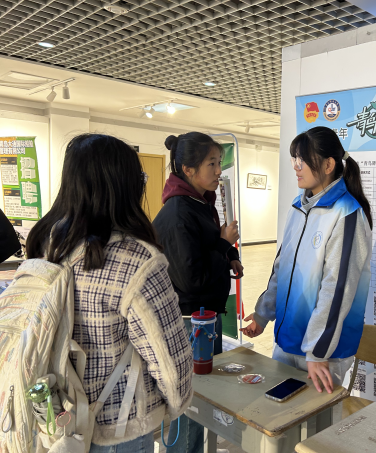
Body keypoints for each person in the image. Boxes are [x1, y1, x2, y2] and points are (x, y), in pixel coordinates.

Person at [26, 134, 193, 452]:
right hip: (118, 426)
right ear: (125, 186)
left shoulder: (46, 244)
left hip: (55, 414)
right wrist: (174, 406)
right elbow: (169, 362)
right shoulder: (138, 261)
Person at [241, 126, 372, 394]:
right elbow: (282, 268)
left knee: (315, 419)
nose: (296, 166)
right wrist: (263, 314)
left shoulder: (346, 213)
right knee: (280, 412)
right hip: (289, 339)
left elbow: (338, 289)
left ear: (328, 165)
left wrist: (317, 350)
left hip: (323, 353)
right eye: (294, 159)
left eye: (303, 159)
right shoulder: (298, 207)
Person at [153, 132, 242, 453]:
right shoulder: (179, 213)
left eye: (219, 163)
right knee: (190, 404)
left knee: (201, 397)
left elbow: (204, 250)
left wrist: (229, 254)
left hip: (204, 318)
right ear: (188, 169)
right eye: (211, 164)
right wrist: (223, 243)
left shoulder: (199, 203)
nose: (219, 171)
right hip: (190, 323)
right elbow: (192, 279)